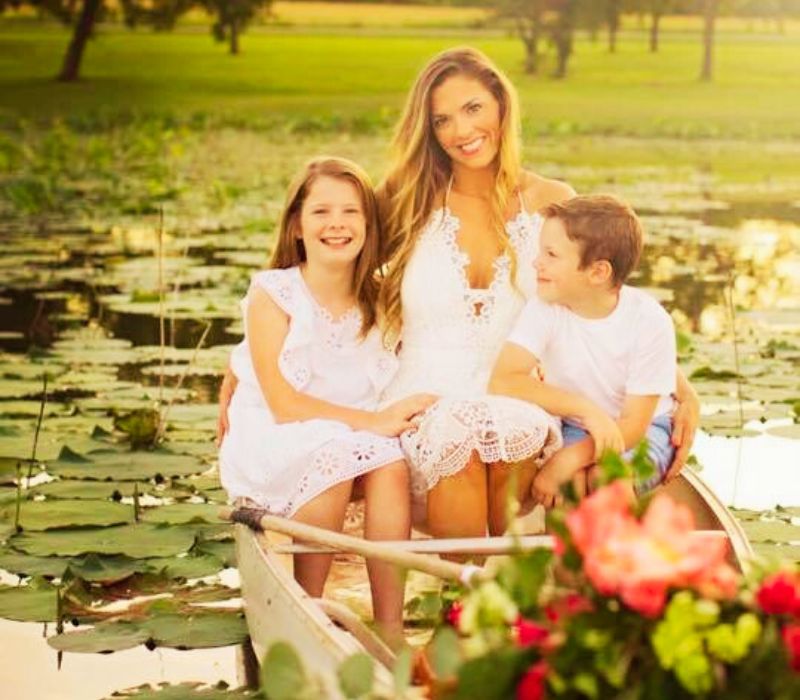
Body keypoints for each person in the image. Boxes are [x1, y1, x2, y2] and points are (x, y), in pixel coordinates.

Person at [375, 46, 698, 540]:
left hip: (527, 398)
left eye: (473, 108)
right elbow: (317, 263)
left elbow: (601, 302)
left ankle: (522, 596)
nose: (461, 131)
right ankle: (461, 599)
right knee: (456, 437)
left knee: (512, 435)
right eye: (442, 120)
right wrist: (251, 357)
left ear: (502, 105)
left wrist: (677, 384)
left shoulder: (553, 201)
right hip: (423, 399)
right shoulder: (405, 195)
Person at [218, 157, 434, 647]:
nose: (336, 224)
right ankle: (306, 611)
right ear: (296, 225)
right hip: (277, 431)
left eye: (351, 212)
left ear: (368, 224)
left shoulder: (381, 299)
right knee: (339, 454)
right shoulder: (274, 293)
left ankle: (391, 628)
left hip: (351, 433)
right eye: (320, 212)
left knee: (391, 463)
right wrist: (373, 421)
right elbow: (281, 403)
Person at [490, 195, 677, 507]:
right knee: (570, 489)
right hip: (579, 424)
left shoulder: (649, 321)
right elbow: (503, 380)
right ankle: (564, 557)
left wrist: (566, 460)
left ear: (598, 273)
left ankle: (622, 554)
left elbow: (632, 425)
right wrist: (586, 411)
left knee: (608, 480)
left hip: (643, 432)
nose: (537, 262)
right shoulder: (546, 306)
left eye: (551, 254)